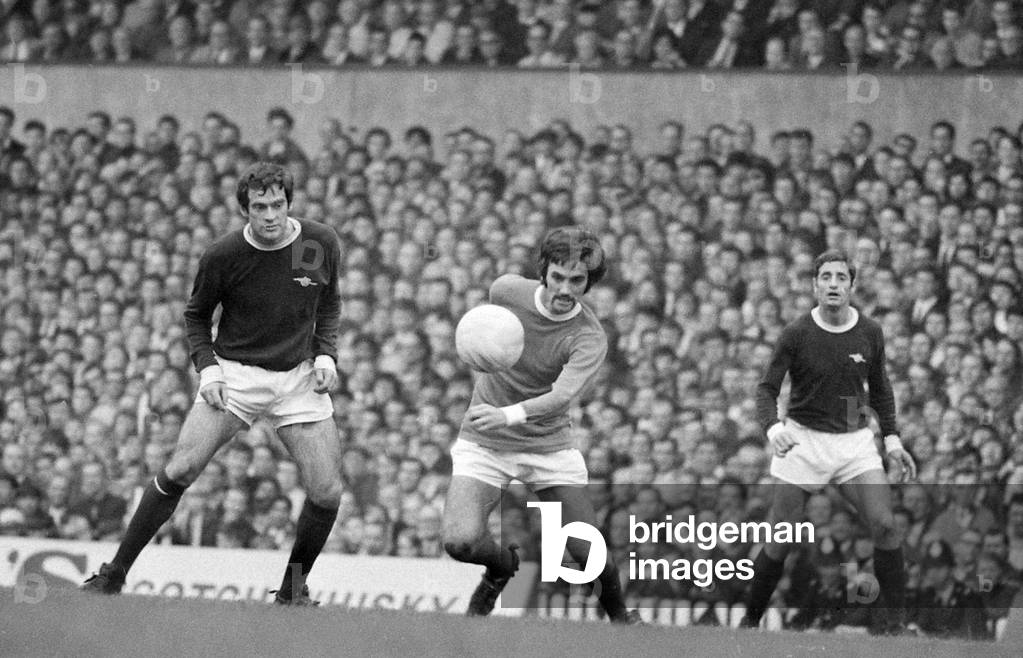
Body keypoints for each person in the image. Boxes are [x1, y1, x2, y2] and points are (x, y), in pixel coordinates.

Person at [81, 162, 343, 605]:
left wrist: (325, 354)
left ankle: (292, 591)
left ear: (289, 204)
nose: (270, 215)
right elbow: (196, 317)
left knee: (327, 491)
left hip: (297, 377)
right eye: (259, 207)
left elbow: (329, 303)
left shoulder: (317, 242)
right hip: (236, 373)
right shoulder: (224, 255)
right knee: (181, 468)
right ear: (244, 210)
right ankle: (113, 574)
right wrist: (209, 369)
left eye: (278, 204)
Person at [441, 227, 637, 624]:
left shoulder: (588, 337)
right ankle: (500, 568)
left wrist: (509, 414)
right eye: (558, 277)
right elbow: (485, 329)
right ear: (544, 272)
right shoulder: (506, 291)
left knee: (586, 550)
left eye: (578, 280)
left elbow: (561, 396)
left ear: (589, 283)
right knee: (459, 541)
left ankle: (623, 620)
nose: (565, 288)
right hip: (486, 440)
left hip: (547, 445)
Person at [742, 250, 917, 633]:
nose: (833, 284)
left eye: (841, 277)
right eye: (826, 277)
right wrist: (774, 430)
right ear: (815, 285)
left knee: (886, 526)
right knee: (779, 538)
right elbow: (765, 389)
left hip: (853, 442)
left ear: (852, 286)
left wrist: (891, 442)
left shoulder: (870, 331)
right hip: (803, 441)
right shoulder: (797, 333)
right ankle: (749, 621)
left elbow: (882, 391)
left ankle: (897, 625)